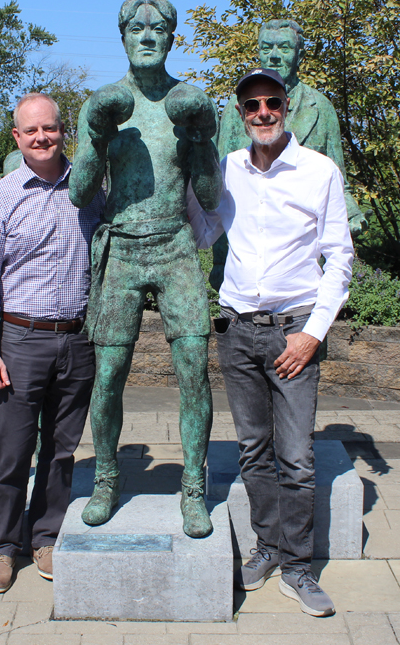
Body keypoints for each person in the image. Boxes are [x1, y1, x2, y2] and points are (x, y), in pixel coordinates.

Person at [187, 68, 354, 617]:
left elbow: (340, 258)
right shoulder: (226, 168)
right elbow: (205, 230)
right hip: (237, 329)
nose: (262, 112)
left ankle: (300, 566)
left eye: (272, 102)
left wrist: (312, 333)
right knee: (254, 452)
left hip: (292, 332)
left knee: (298, 458)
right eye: (251, 105)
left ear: (286, 106)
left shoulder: (318, 171)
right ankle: (267, 547)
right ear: (240, 114)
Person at [68, 0, 222, 538]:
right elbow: (80, 192)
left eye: (159, 29)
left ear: (173, 38)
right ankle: (106, 478)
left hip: (175, 246)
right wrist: (95, 135)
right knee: (108, 376)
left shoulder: (190, 101)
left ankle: (194, 488)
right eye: (137, 28)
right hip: (123, 249)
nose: (148, 36)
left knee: (194, 373)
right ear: (124, 37)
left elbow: (208, 195)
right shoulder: (105, 101)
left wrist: (201, 139)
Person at [0, 93, 104, 593]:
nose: (42, 138)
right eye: (31, 132)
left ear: (63, 130)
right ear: (17, 138)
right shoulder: (0, 198)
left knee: (61, 449)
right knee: (13, 450)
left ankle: (45, 536)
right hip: (21, 340)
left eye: (50, 128)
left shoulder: (90, 193)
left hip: (78, 339)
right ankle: (5, 546)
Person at [211, 18, 366, 291]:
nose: (274, 55)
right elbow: (221, 188)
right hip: (242, 273)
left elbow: (338, 181)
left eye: (283, 47)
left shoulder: (321, 108)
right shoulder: (237, 113)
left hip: (300, 275)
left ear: (299, 54)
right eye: (266, 47)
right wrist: (220, 262)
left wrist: (350, 213)